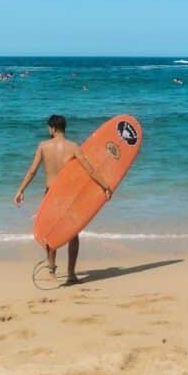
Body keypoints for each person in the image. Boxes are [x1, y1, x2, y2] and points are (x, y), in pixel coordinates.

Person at [13, 115, 112, 285]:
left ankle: (51, 271)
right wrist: (105, 186)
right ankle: (71, 274)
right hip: (68, 195)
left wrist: (21, 190)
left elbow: (32, 171)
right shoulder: (73, 147)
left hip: (50, 194)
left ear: (51, 128)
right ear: (63, 128)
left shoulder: (43, 146)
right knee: (72, 233)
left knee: (50, 231)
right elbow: (90, 170)